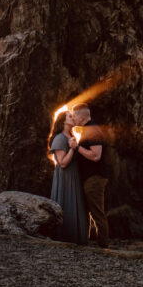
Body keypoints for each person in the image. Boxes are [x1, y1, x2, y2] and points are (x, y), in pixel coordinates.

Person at [47, 110, 89, 244]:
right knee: (67, 204)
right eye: (70, 116)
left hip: (73, 178)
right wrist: (72, 148)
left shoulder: (69, 137)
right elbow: (63, 163)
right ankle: (65, 238)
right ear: (63, 121)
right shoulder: (59, 138)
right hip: (65, 179)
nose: (73, 117)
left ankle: (77, 239)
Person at [71, 103, 109, 248]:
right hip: (90, 178)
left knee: (97, 213)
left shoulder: (92, 130)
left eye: (74, 116)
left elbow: (96, 156)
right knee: (91, 212)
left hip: (95, 178)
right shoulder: (87, 130)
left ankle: (103, 246)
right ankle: (91, 241)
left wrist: (77, 147)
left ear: (81, 117)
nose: (73, 118)